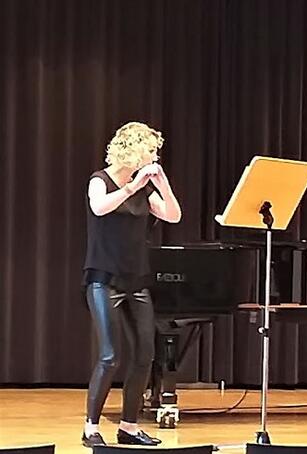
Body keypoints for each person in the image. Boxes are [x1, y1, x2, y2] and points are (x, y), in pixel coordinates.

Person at [81, 122, 181, 447]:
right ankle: (91, 428)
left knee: (145, 355)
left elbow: (174, 215)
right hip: (103, 281)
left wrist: (162, 185)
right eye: (151, 150)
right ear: (133, 149)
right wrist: (130, 187)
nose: (154, 157)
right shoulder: (100, 180)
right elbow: (99, 207)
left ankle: (128, 426)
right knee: (110, 356)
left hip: (136, 282)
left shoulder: (145, 191)